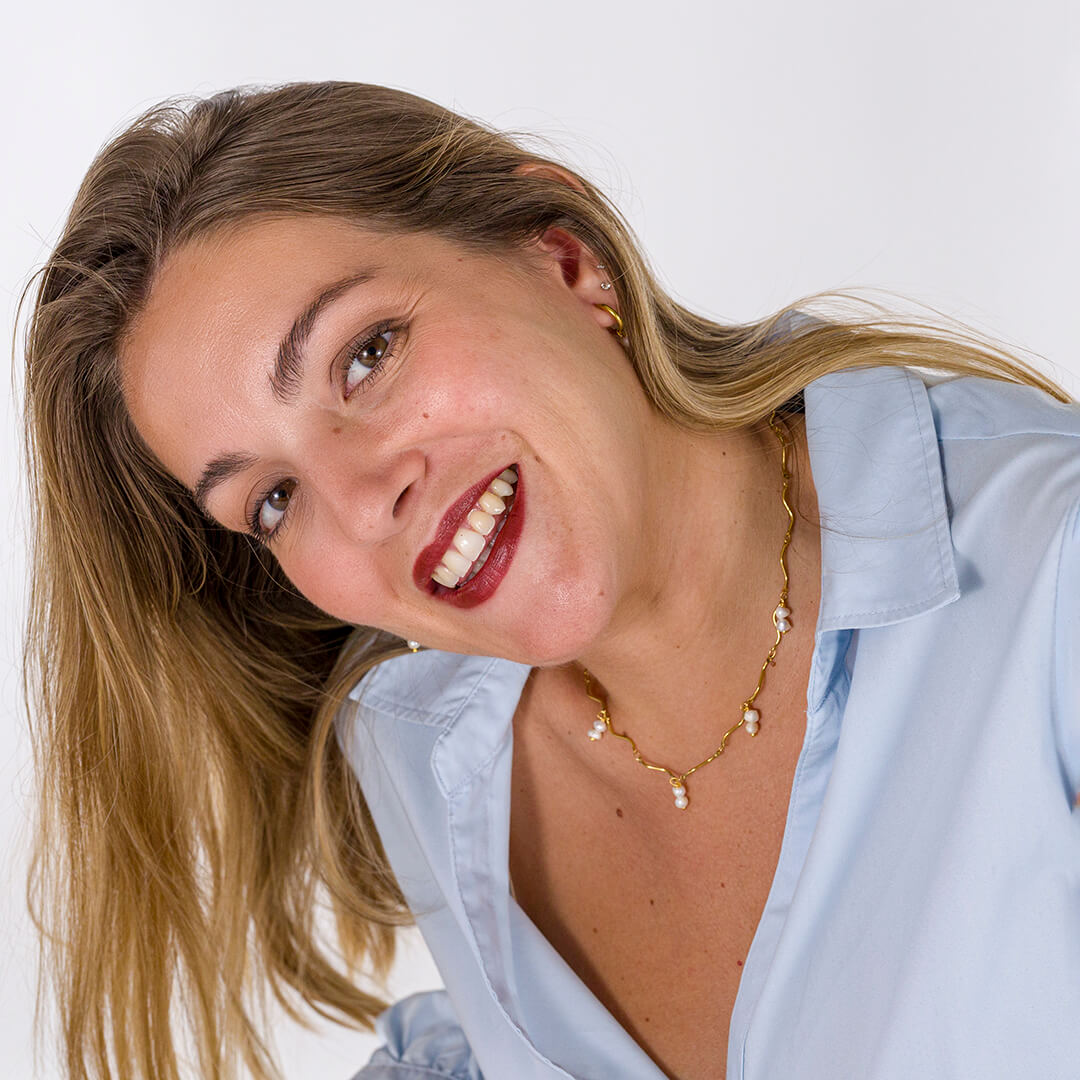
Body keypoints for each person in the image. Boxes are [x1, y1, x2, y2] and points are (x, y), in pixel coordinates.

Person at [21, 80, 1079, 1080]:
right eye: (273, 499)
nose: (362, 501)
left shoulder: (1051, 582)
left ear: (566, 259)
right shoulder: (421, 745)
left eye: (367, 354)